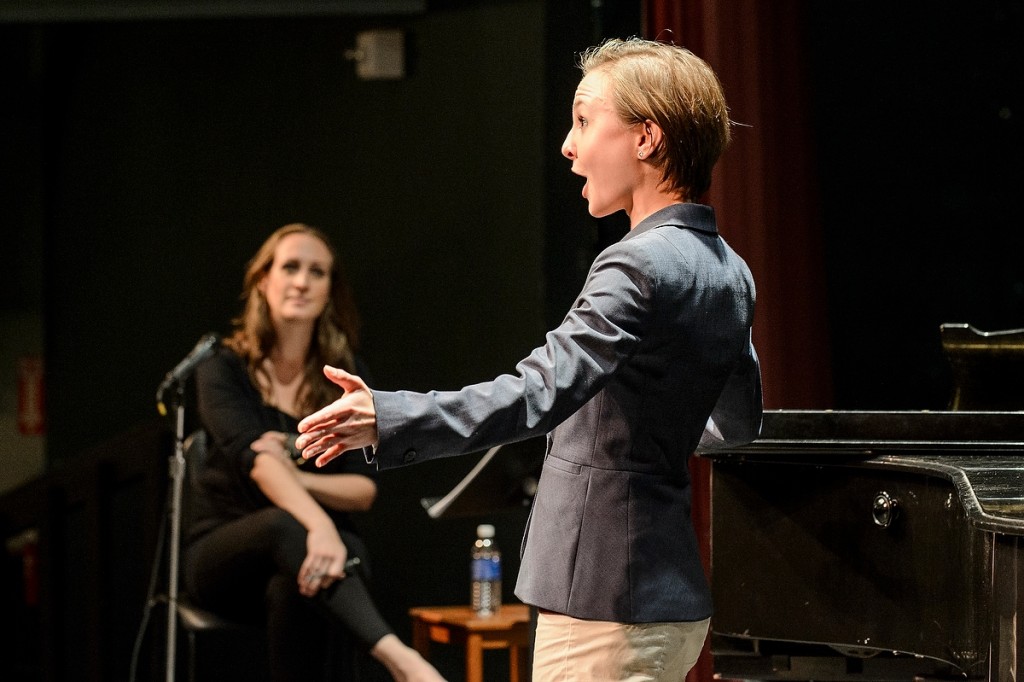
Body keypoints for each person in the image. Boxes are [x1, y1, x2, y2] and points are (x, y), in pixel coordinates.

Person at [296, 37, 763, 681]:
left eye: (583, 120)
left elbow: (538, 392)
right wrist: (643, 429)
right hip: (668, 595)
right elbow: (734, 427)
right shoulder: (730, 270)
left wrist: (392, 415)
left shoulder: (635, 264)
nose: (569, 146)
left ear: (647, 137)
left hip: (603, 597)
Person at [184, 223, 446, 682]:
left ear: (330, 290)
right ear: (263, 281)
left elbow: (362, 489)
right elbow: (260, 466)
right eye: (290, 267)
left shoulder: (341, 378)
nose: (303, 281)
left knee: (301, 581)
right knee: (297, 531)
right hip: (223, 554)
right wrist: (319, 521)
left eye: (317, 272)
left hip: (299, 561)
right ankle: (403, 662)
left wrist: (295, 474)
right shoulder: (221, 369)